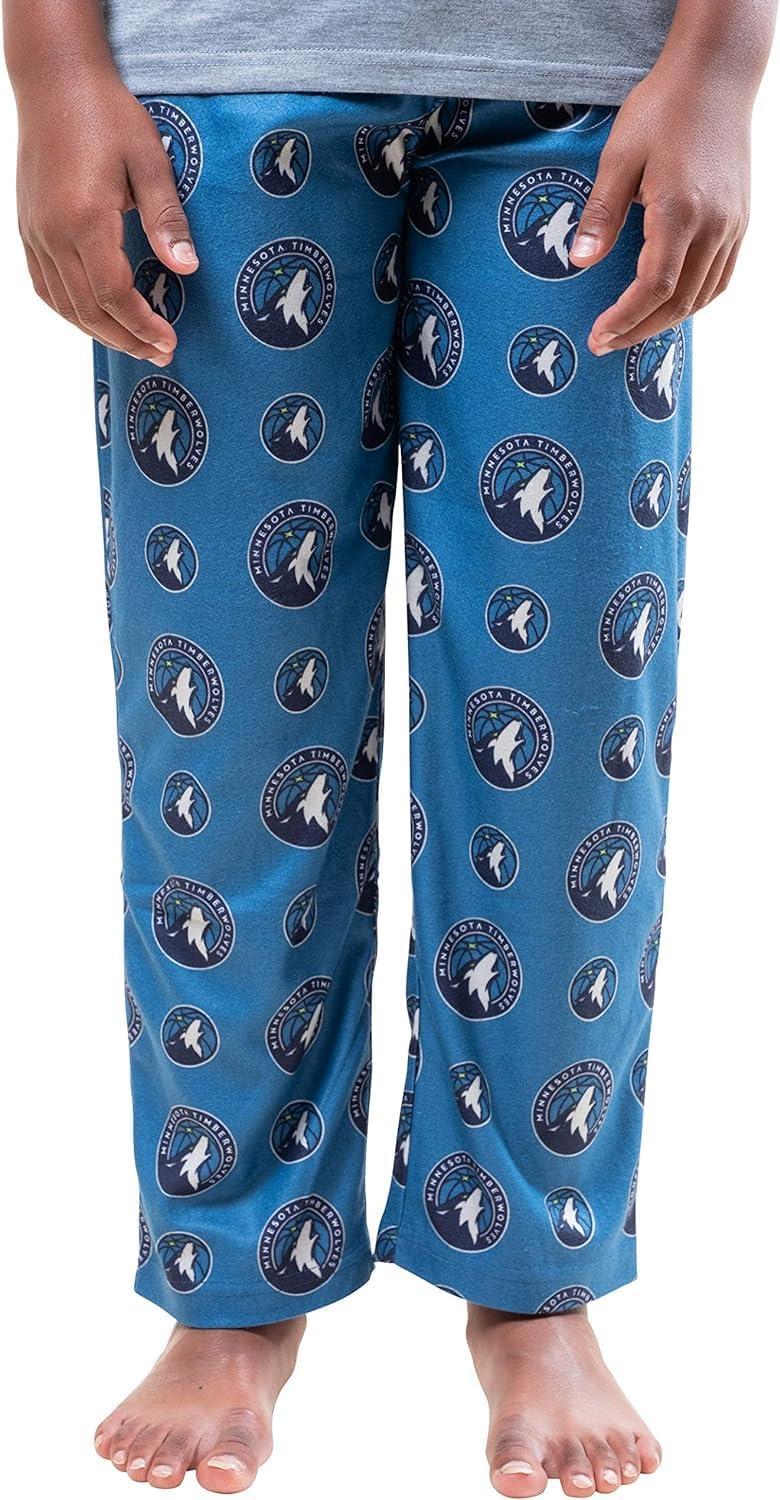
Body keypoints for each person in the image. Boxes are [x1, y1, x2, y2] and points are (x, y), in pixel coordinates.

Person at [3, 0, 776, 1493]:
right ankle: (235, 1272)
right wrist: (51, 68)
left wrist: (722, 61)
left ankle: (532, 1272)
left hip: (585, 104)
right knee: (226, 747)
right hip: (223, 80)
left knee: (569, 749)